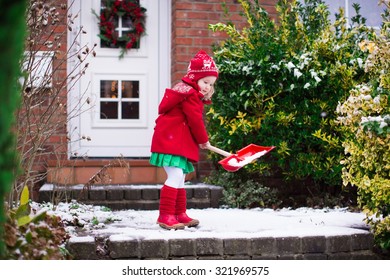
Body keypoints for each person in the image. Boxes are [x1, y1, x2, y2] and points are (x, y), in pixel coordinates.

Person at [150, 50, 219, 230]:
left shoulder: (186, 91)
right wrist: (203, 140)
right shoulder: (190, 95)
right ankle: (165, 215)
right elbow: (195, 120)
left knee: (180, 178)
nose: (207, 87)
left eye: (211, 84)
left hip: (172, 141)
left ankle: (180, 213)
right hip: (170, 142)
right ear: (194, 78)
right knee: (176, 175)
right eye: (205, 82)